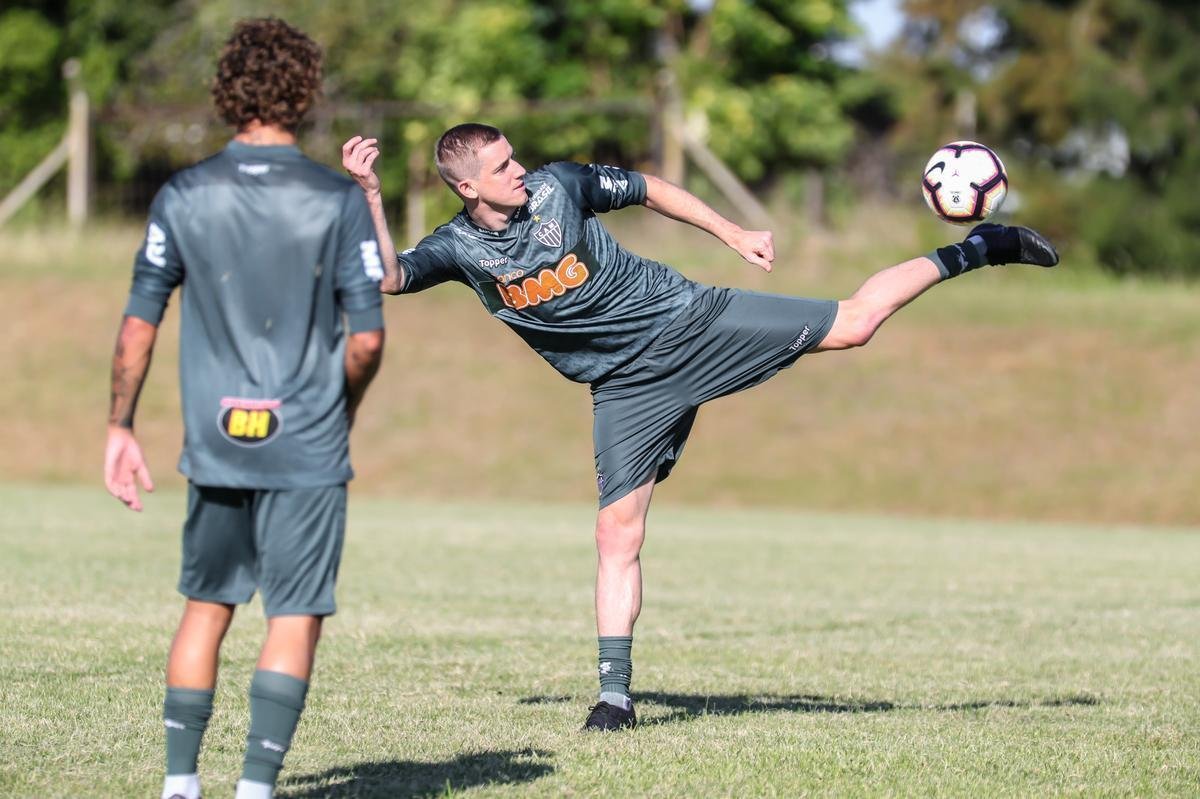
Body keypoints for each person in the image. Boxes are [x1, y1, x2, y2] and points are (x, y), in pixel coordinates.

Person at [341, 124, 1058, 731]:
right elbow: (389, 278)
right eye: (502, 167)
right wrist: (372, 195)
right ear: (468, 187)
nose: (519, 170)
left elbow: (652, 188)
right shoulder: (459, 250)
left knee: (856, 324)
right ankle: (614, 697)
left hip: (691, 321)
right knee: (615, 532)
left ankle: (981, 247)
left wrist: (732, 230)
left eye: (514, 156)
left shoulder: (561, 185)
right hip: (624, 387)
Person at [104, 19, 385, 799]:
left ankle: (180, 783)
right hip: (306, 445)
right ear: (306, 92)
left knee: (207, 604)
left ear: (226, 91)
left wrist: (120, 427)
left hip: (216, 442)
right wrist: (340, 408)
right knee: (293, 613)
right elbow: (366, 341)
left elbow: (137, 325)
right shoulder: (337, 199)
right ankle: (256, 788)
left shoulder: (182, 195)